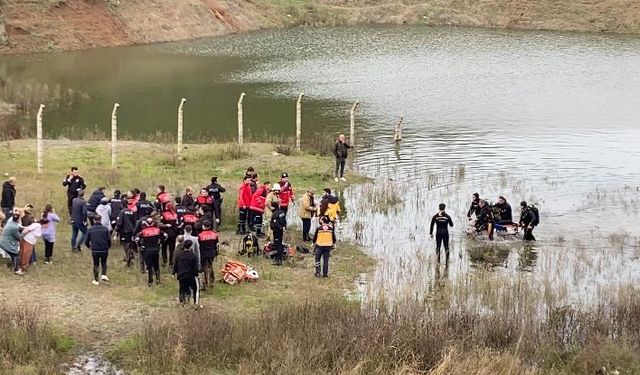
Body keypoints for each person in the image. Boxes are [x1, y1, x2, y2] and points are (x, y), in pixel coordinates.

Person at [136, 218, 167, 287]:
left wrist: (141, 246)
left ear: (146, 223)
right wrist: (160, 243)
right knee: (156, 265)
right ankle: (158, 279)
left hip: (147, 250)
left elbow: (136, 239)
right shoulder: (158, 230)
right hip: (156, 250)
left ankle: (150, 281)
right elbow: (165, 235)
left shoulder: (143, 231)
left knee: (149, 266)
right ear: (153, 223)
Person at [85, 215, 111, 285]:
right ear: (100, 220)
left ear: (94, 220)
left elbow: (86, 241)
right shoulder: (105, 229)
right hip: (104, 249)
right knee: (104, 262)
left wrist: (89, 247)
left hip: (95, 250)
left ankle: (96, 280)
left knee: (96, 264)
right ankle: (103, 274)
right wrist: (108, 247)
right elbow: (109, 239)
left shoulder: (91, 229)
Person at [173, 239, 201, 307]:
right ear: (190, 246)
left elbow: (176, 264)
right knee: (195, 288)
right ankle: (195, 303)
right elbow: (195, 267)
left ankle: (182, 302)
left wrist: (174, 272)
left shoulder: (179, 255)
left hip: (181, 275)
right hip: (190, 275)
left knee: (182, 288)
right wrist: (196, 274)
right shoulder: (193, 256)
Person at [197, 221, 219, 290]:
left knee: (203, 268)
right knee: (211, 266)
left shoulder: (200, 235)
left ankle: (204, 284)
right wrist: (216, 253)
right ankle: (212, 282)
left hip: (203, 253)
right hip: (211, 253)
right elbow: (216, 244)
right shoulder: (215, 234)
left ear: (203, 226)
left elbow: (198, 245)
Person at [269, 201, 287, 266]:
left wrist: (280, 228)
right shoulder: (282, 212)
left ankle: (279, 260)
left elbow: (276, 224)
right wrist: (284, 228)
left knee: (278, 245)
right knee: (279, 244)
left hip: (277, 231)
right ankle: (279, 258)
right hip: (281, 231)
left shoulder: (275, 214)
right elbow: (284, 221)